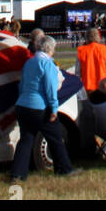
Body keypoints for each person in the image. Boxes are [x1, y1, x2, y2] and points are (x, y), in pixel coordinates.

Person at [11, 35, 82, 181]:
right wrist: (54, 108)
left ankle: (17, 174)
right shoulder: (47, 64)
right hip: (40, 107)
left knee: (26, 140)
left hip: (23, 105)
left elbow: (22, 85)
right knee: (56, 138)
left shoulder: (29, 63)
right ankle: (64, 168)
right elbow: (51, 88)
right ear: (49, 49)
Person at [75, 26, 106, 99]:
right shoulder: (104, 49)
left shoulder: (81, 51)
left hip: (87, 85)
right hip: (103, 85)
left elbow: (77, 72)